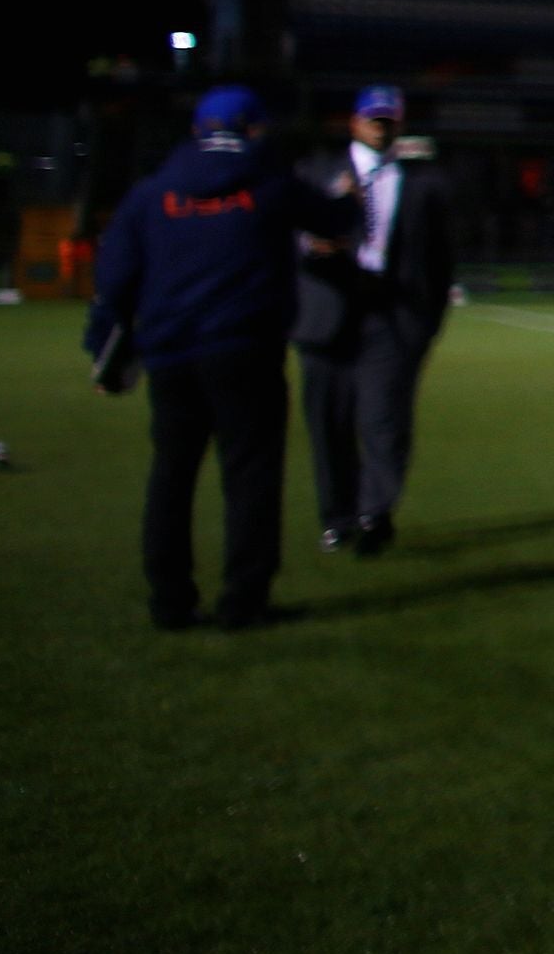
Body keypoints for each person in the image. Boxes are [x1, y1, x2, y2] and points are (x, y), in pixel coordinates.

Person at [84, 87, 359, 630]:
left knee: (171, 474)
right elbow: (336, 222)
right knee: (251, 475)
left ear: (197, 132)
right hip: (245, 350)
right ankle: (243, 600)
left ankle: (170, 600)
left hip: (171, 354)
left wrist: (103, 351)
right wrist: (349, 195)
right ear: (255, 131)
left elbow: (113, 277)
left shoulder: (152, 192)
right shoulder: (271, 184)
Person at [290, 86, 455, 556]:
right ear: (355, 122)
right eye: (372, 119)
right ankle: (337, 518)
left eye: (388, 120)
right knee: (329, 425)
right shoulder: (316, 173)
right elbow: (286, 239)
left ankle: (375, 513)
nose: (380, 127)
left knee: (386, 424)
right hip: (326, 318)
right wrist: (309, 246)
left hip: (391, 319)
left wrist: (425, 327)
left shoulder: (424, 184)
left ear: (399, 125)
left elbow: (441, 262)